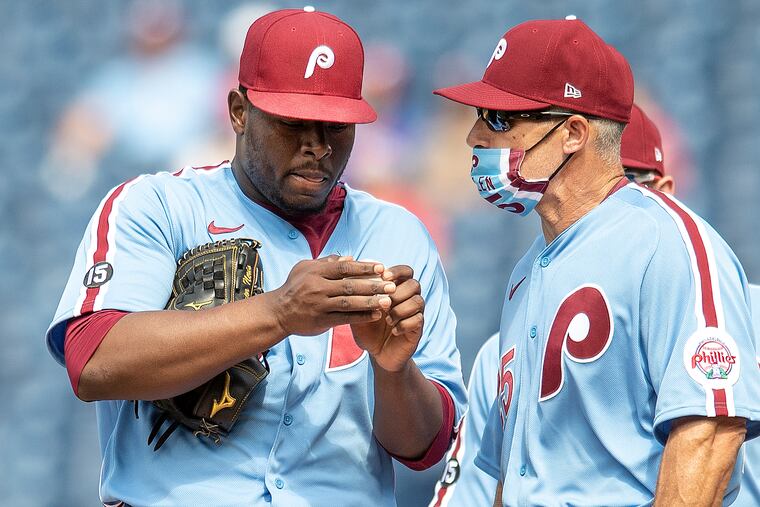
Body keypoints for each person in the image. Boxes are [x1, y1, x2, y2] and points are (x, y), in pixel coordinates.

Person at [46, 8, 466, 507]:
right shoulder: (157, 206)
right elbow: (92, 364)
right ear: (239, 111)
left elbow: (426, 448)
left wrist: (393, 370)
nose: (317, 146)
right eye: (293, 122)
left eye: (336, 125)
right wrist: (277, 313)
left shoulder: (399, 233)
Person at [434, 17, 760, 506]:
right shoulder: (526, 271)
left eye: (500, 119)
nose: (475, 137)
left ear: (573, 133)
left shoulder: (667, 243)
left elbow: (709, 433)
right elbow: (516, 478)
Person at [428, 103, 680, 506]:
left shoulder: (732, 318)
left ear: (664, 194)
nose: (613, 204)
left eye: (630, 184)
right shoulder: (502, 348)